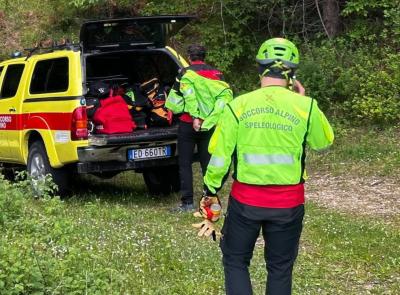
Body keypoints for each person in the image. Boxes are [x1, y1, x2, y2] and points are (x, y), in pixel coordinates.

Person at [202, 38, 334, 295]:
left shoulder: (238, 105)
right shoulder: (305, 107)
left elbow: (219, 157)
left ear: (260, 69)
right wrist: (304, 103)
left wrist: (210, 190)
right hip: (288, 204)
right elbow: (323, 141)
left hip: (246, 202)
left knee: (236, 260)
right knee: (280, 267)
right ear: (292, 74)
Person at [166, 44, 233, 212]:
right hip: (209, 125)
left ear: (189, 57)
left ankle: (187, 203)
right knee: (207, 163)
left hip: (188, 123)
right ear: (204, 56)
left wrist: (193, 116)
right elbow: (222, 100)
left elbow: (184, 97)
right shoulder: (217, 74)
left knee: (185, 163)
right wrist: (210, 119)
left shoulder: (185, 74)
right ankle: (209, 200)